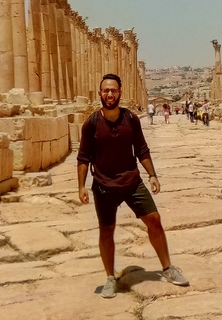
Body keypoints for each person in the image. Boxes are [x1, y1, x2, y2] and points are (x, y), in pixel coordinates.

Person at [78, 74, 189, 298]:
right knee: (106, 230)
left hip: (131, 181)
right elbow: (83, 157)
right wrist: (81, 186)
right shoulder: (91, 124)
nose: (110, 94)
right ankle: (110, 277)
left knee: (154, 220)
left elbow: (141, 149)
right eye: (106, 90)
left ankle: (167, 268)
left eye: (113, 90)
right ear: (100, 93)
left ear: (120, 92)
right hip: (103, 183)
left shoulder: (131, 119)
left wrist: (152, 175)